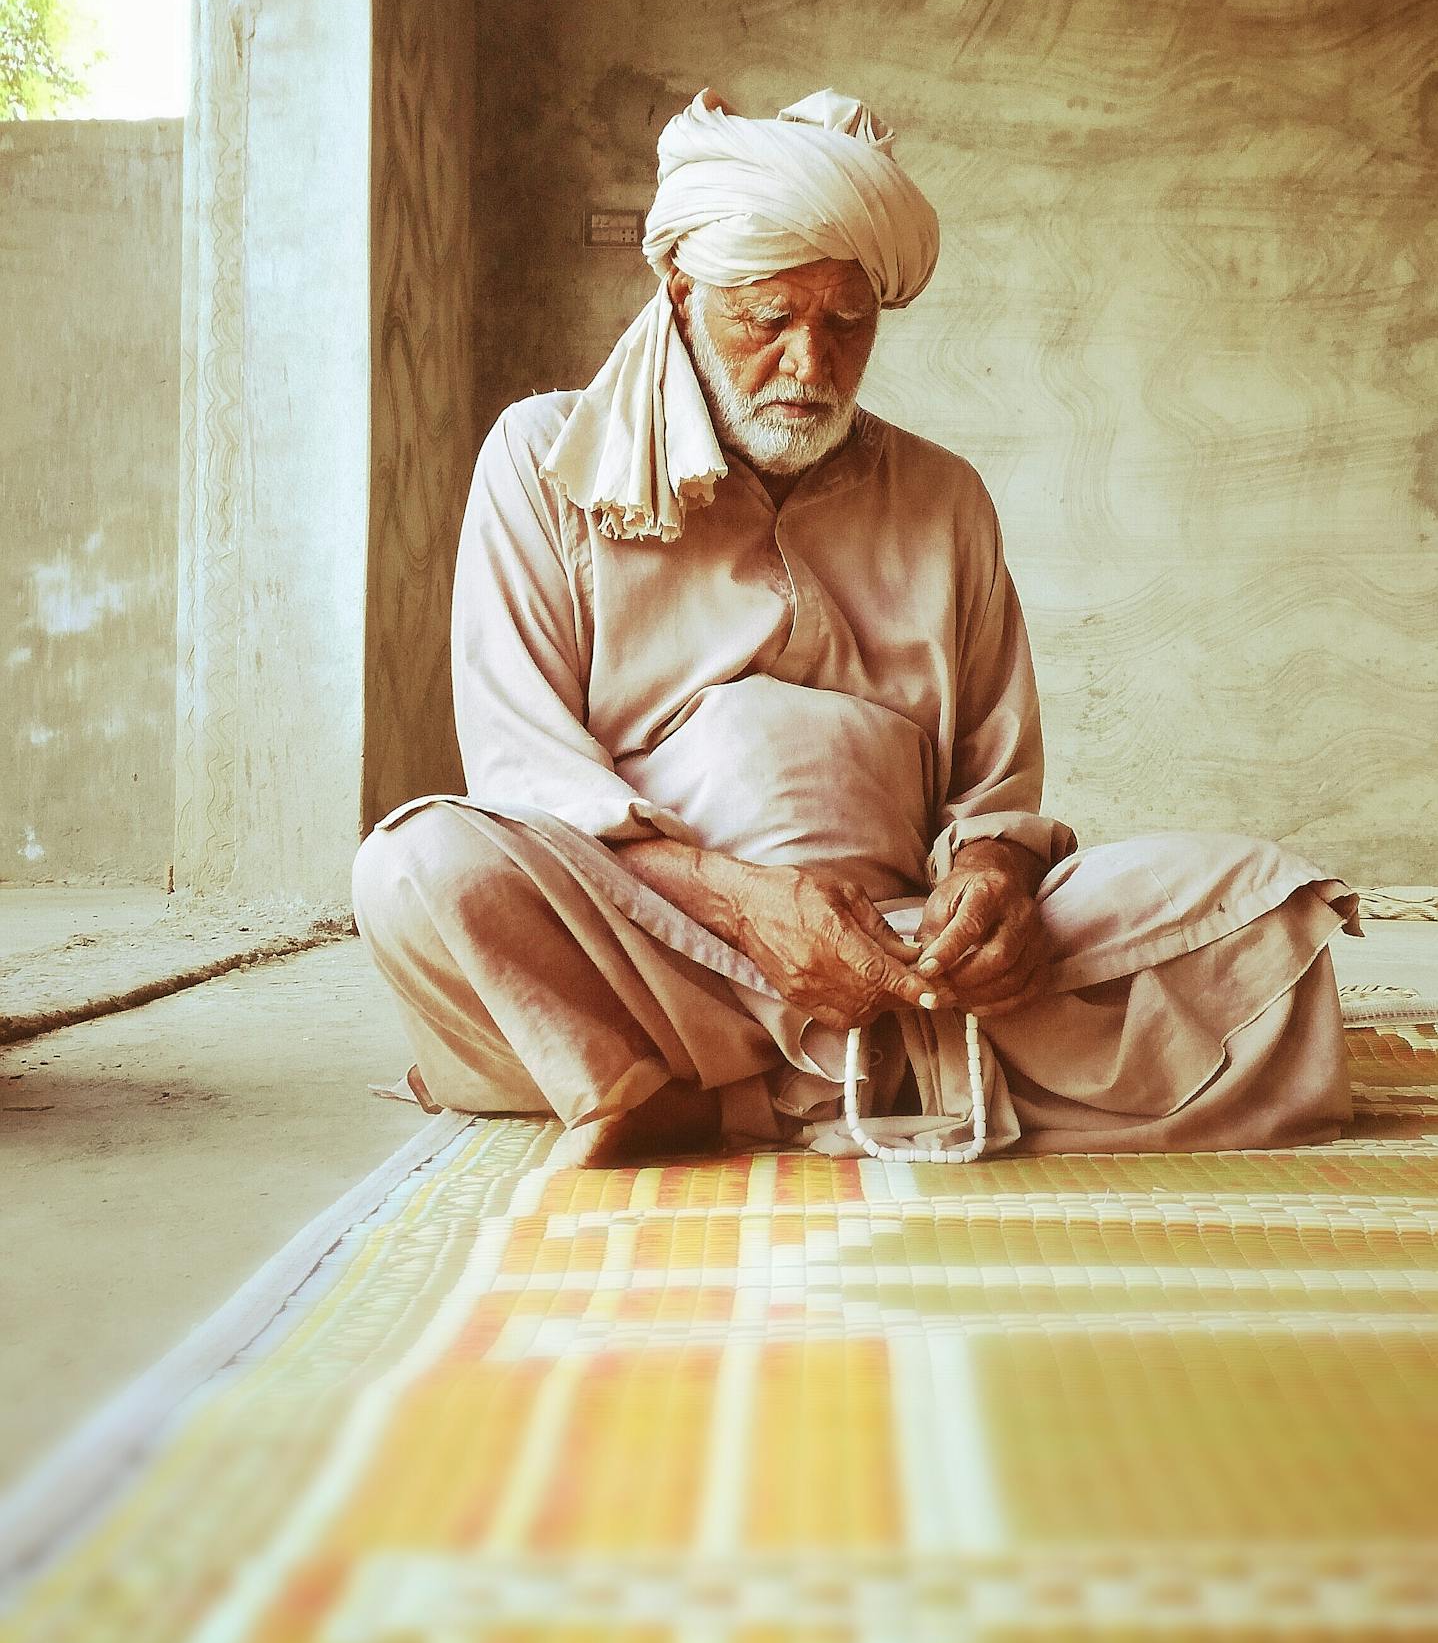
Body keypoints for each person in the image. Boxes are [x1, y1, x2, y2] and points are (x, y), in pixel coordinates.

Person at [353, 86, 1357, 1164]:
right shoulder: (545, 458)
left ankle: (727, 1101)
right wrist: (749, 911)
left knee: (1264, 914)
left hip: (910, 946)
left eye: (845, 323)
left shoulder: (944, 498)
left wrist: (991, 888)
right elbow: (526, 774)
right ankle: (870, 1078)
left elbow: (996, 792)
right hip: (661, 946)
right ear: (681, 290)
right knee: (419, 868)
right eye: (767, 317)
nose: (809, 364)